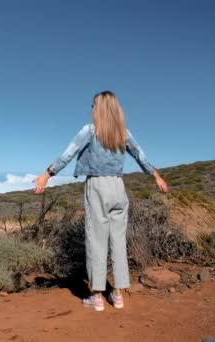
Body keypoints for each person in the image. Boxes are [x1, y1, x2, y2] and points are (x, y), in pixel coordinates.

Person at [33, 90, 169, 312]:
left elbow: (68, 154)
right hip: (118, 187)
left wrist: (47, 174)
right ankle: (118, 295)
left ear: (99, 108)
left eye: (93, 105)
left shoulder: (90, 130)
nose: (91, 109)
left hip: (97, 186)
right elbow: (140, 155)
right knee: (118, 241)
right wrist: (156, 176)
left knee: (97, 240)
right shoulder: (123, 133)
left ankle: (96, 297)